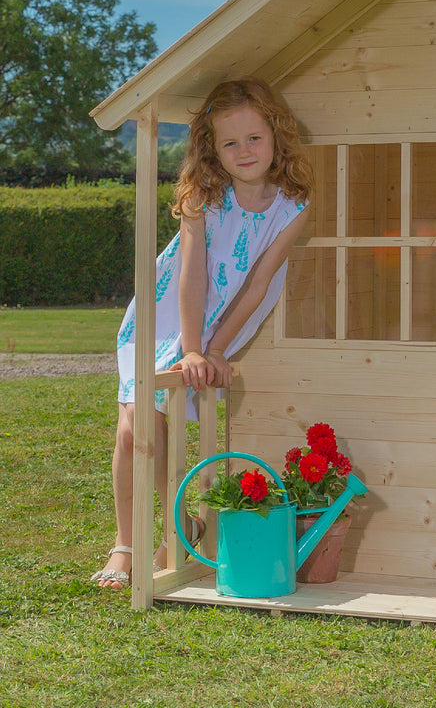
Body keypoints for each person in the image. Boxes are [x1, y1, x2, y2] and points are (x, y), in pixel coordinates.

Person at [90, 77, 313, 588]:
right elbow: (190, 275)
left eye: (254, 138)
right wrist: (190, 345)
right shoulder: (203, 194)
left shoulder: (293, 204)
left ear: (276, 134)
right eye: (229, 143)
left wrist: (213, 348)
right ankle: (126, 543)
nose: (244, 151)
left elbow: (258, 284)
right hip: (168, 312)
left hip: (225, 317)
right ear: (213, 150)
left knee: (158, 421)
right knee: (133, 425)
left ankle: (178, 526)